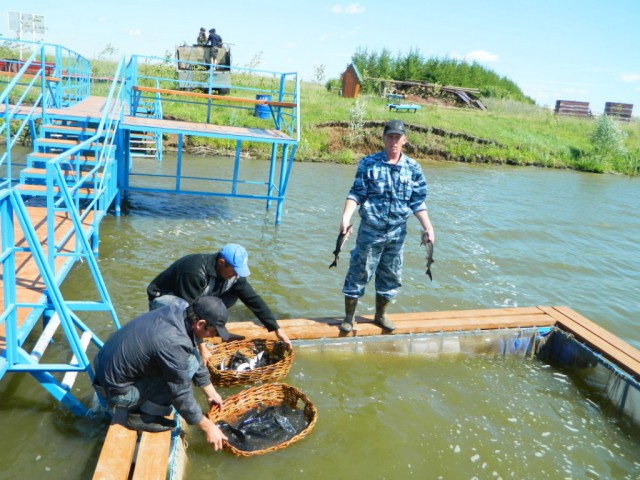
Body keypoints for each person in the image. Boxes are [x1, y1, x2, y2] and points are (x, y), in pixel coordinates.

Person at [93, 296, 230, 450]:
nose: (215, 335)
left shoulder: (178, 311)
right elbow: (180, 394)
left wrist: (210, 391)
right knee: (183, 371)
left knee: (188, 361)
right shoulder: (173, 342)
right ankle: (142, 416)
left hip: (103, 368)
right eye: (215, 331)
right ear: (200, 324)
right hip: (118, 393)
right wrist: (208, 427)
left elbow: (190, 351)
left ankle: (143, 405)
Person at [338, 120, 435, 333]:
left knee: (391, 275)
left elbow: (417, 201)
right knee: (359, 272)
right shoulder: (368, 163)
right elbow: (356, 194)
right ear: (383, 138)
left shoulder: (413, 168)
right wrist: (346, 218)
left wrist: (428, 227)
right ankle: (349, 317)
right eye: (389, 136)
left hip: (397, 233)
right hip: (370, 231)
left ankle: (381, 315)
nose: (393, 141)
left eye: (397, 137)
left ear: (404, 140)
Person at [147, 243, 292, 358]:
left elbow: (253, 300)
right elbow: (189, 312)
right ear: (222, 262)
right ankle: (197, 337)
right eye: (234, 270)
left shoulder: (234, 275)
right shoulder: (194, 271)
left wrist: (276, 329)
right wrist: (201, 348)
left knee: (235, 294)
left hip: (196, 300)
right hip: (165, 299)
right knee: (183, 307)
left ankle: (212, 328)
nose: (236, 274)